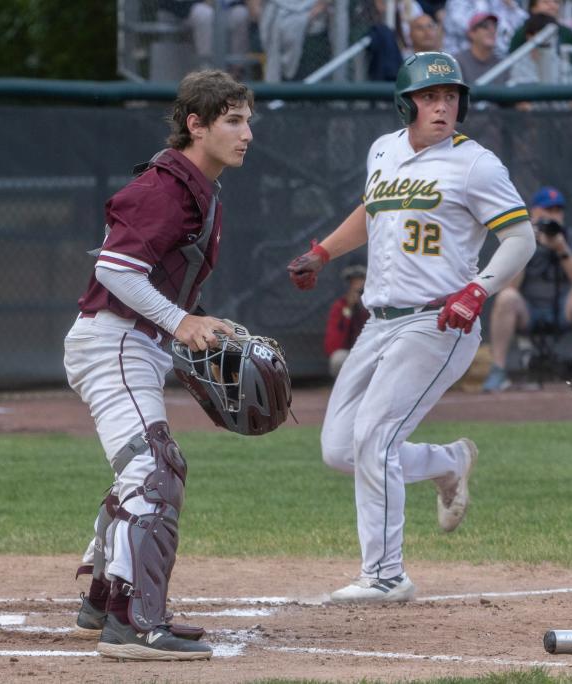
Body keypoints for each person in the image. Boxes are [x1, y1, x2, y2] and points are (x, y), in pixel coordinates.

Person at [286, 51, 535, 602]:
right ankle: (449, 462)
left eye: (450, 97)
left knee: (374, 436)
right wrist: (323, 252)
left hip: (439, 320)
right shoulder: (384, 150)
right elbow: (372, 211)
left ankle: (385, 575)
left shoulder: (476, 164)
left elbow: (522, 239)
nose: (442, 106)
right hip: (379, 321)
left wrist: (478, 290)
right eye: (429, 97)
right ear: (407, 104)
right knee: (339, 450)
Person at [64, 70, 254, 660]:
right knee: (154, 471)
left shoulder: (198, 187)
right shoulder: (166, 188)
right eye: (232, 120)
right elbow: (114, 271)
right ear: (195, 124)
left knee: (146, 468)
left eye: (248, 120)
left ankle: (102, 599)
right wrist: (181, 322)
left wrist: (191, 323)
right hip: (115, 340)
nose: (247, 133)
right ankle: (132, 622)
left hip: (132, 341)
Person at [482, 187, 572, 393]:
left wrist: (560, 248)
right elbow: (510, 286)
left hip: (561, 310)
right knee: (506, 297)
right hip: (528, 311)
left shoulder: (570, 236)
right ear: (534, 212)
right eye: (547, 210)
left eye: (557, 210)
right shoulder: (520, 238)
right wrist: (527, 247)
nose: (553, 215)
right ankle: (498, 371)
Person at [325, 264, 370, 377]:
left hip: (372, 350)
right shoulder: (340, 306)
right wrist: (348, 311)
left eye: (360, 282)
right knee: (338, 359)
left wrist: (365, 308)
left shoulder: (377, 304)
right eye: (353, 283)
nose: (357, 287)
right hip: (351, 351)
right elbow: (332, 346)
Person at [443, 0, 528, 56]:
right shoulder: (456, 2)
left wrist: (512, 6)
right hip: (461, 57)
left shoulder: (500, 2)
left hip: (498, 58)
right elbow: (467, 27)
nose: (491, 29)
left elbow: (526, 24)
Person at [453, 12, 508, 85]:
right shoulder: (457, 62)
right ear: (472, 33)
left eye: (495, 26)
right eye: (485, 26)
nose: (492, 30)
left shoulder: (501, 64)